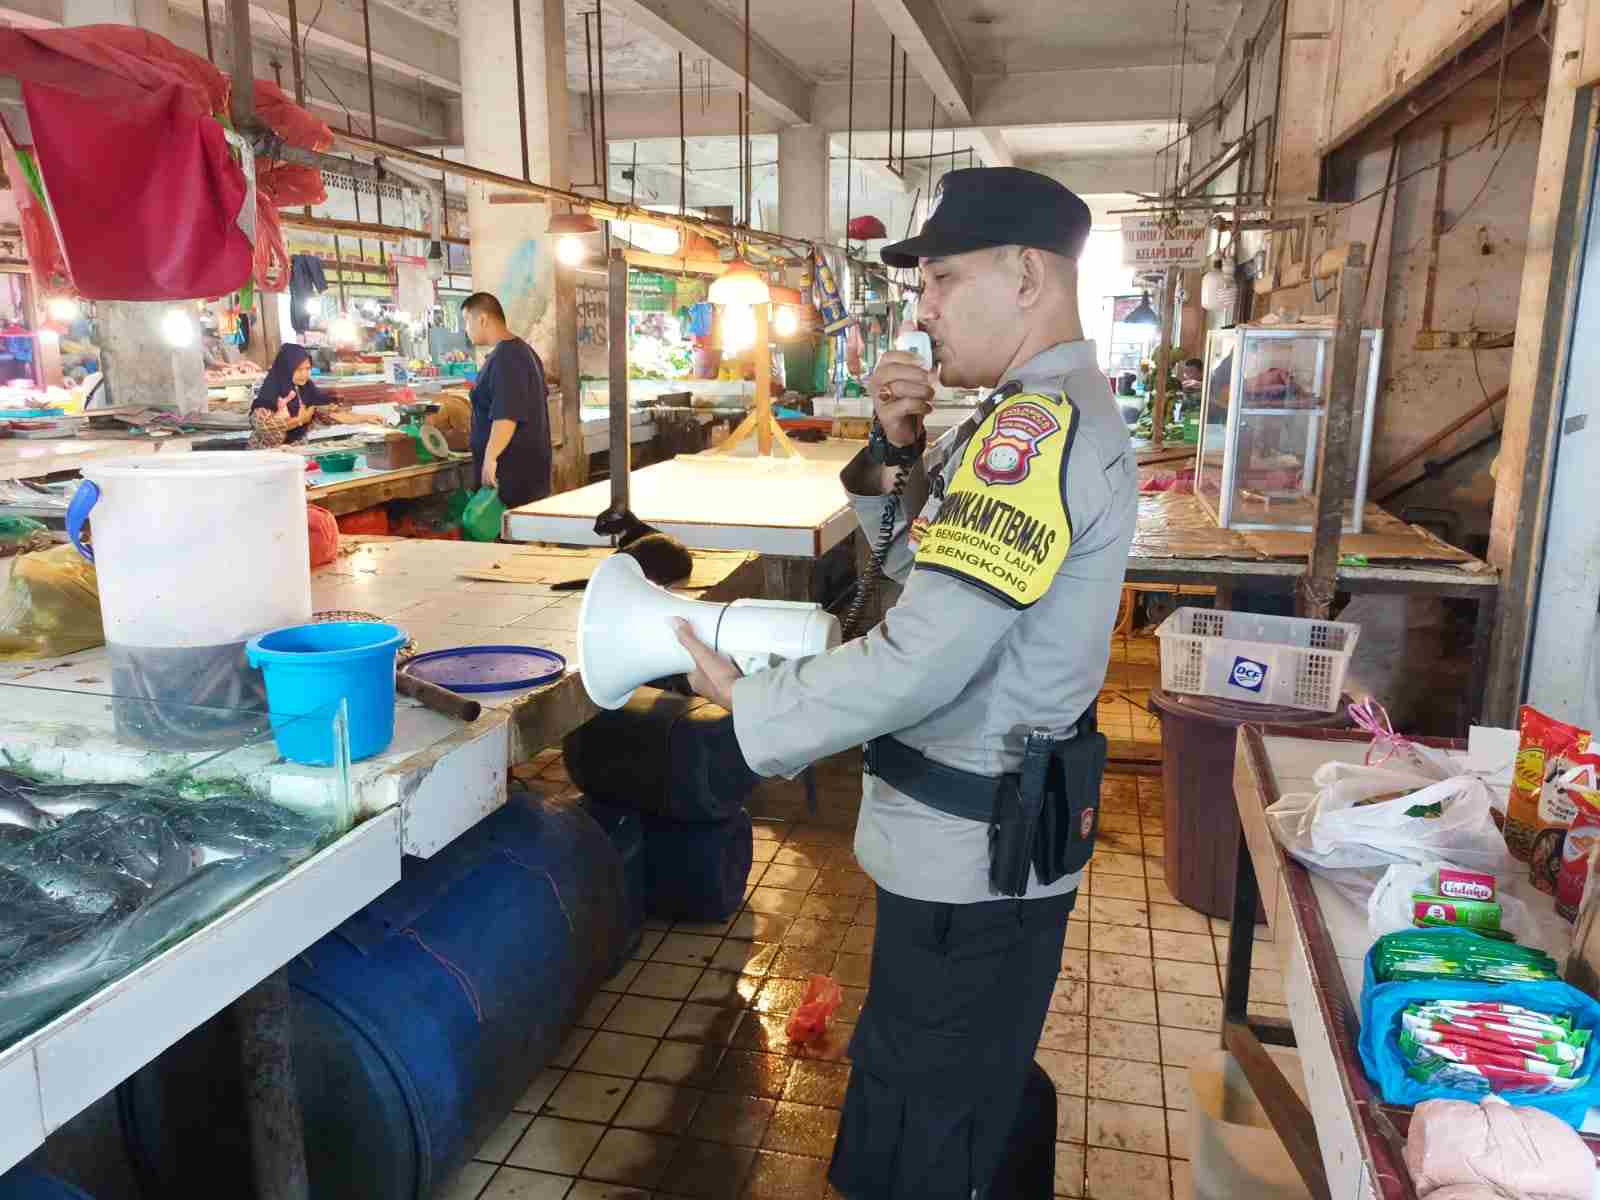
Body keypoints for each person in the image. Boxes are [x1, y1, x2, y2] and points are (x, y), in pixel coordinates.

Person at [673, 167, 1138, 1199]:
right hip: (977, 849)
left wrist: (750, 707)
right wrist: (895, 449)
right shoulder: (1024, 412)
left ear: (1026, 275)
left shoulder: (1037, 432)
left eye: (940, 277)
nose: (920, 305)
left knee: (926, 1126)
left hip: (970, 859)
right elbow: (918, 574)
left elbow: (921, 652)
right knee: (963, 1089)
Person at [461, 292, 552, 508]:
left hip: (511, 477)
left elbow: (507, 415)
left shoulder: (507, 357)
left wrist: (490, 458)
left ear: (482, 319)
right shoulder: (521, 351)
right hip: (525, 475)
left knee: (510, 536)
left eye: (466, 321)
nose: (465, 329)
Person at [247, 343, 333, 449]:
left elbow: (320, 414)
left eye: (307, 368)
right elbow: (262, 426)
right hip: (266, 452)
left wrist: (331, 411)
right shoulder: (272, 390)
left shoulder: (307, 388)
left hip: (297, 448)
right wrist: (299, 420)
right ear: (286, 368)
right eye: (298, 370)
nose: (304, 374)